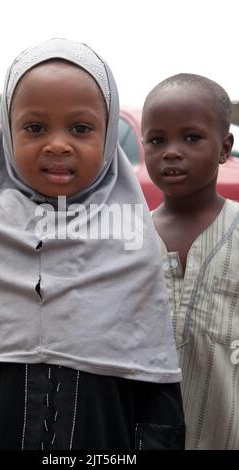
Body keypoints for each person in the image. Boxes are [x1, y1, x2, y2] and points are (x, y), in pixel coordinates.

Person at [0, 39, 185, 450]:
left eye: (81, 128)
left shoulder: (133, 243)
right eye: (35, 127)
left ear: (108, 138)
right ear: (8, 132)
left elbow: (154, 384)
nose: (57, 144)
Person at [141, 73, 239, 450]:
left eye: (192, 138)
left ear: (224, 148)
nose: (171, 151)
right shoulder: (133, 240)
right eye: (157, 140)